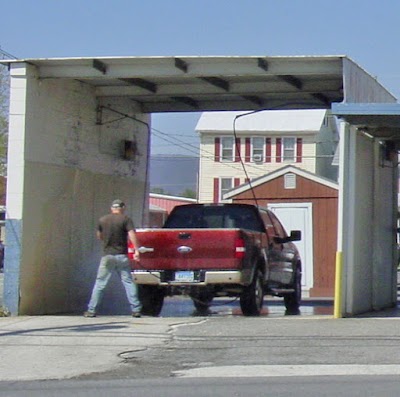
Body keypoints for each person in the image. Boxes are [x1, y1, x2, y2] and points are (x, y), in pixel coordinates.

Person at [84, 199, 142, 318]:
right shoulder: (125, 219)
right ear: (122, 208)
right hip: (121, 255)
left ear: (112, 208)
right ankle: (136, 309)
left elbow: (99, 236)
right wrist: (137, 250)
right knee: (128, 282)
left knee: (100, 283)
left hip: (107, 255)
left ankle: (91, 310)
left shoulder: (102, 220)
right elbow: (132, 235)